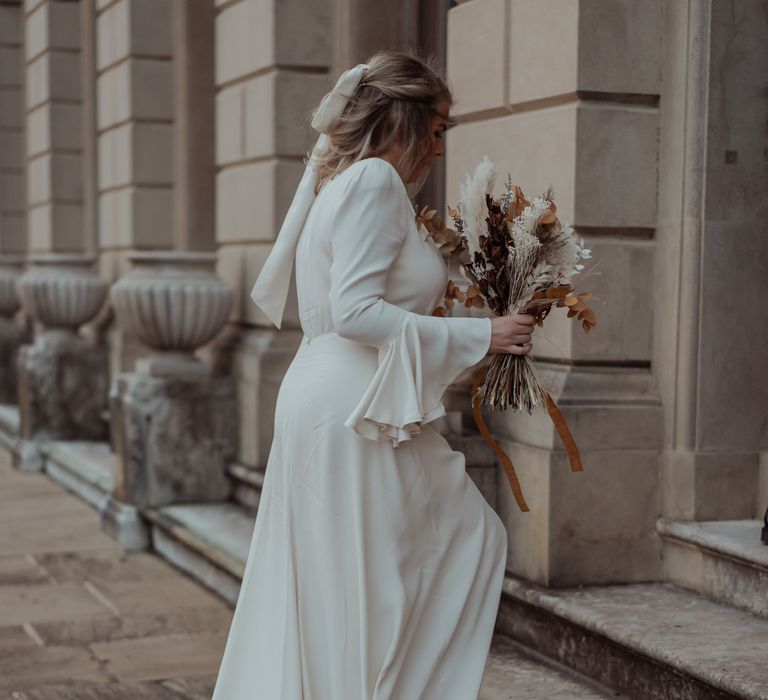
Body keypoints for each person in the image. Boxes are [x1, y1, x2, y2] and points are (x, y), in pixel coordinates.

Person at [211, 50, 535, 700]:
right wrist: (485, 334)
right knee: (405, 575)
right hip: (353, 409)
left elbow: (360, 303)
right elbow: (358, 311)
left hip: (334, 397)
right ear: (407, 122)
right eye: (438, 130)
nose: (441, 150)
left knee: (361, 588)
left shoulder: (340, 185)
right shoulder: (375, 183)